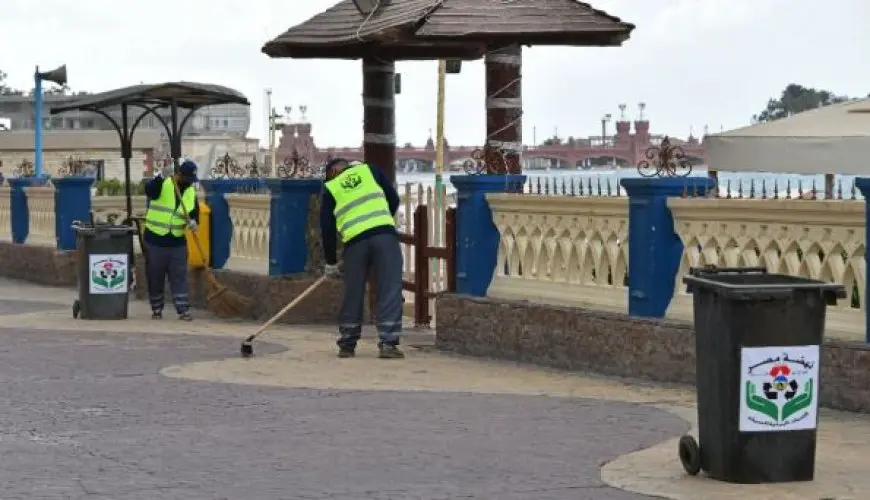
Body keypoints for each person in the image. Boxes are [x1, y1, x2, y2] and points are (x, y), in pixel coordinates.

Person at [321, 158, 404, 359]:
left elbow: (327, 227)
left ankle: (347, 344)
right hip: (384, 236)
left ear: (332, 172)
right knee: (390, 288)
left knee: (353, 290)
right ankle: (388, 343)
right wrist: (382, 220)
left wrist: (331, 261)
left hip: (355, 243)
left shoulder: (331, 187)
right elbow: (393, 198)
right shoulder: (370, 170)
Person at [142, 160, 199, 321]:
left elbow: (194, 214)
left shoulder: (190, 193)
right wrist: (160, 177)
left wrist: (194, 223)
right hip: (155, 239)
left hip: (177, 241)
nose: (189, 182)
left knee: (179, 276)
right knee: (155, 276)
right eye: (187, 178)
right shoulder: (163, 184)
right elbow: (149, 191)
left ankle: (183, 310)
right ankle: (156, 309)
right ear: (179, 174)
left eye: (191, 179)